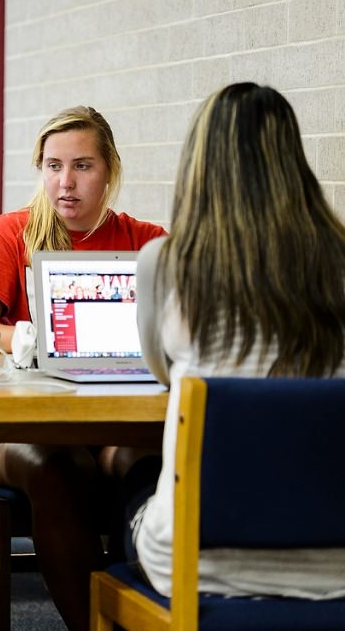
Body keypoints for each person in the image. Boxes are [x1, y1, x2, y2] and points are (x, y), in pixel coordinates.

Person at [0, 106, 166, 631]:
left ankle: (148, 609)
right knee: (57, 465)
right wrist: (43, 339)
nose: (65, 182)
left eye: (83, 166)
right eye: (53, 166)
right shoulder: (8, 233)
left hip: (115, 422)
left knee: (147, 462)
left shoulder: (147, 239)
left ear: (110, 169)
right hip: (24, 430)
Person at [131, 82, 345, 599]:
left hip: (197, 565)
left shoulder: (166, 262)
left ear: (199, 166)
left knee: (129, 480)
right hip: (336, 564)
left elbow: (163, 372)